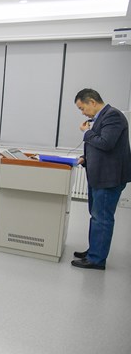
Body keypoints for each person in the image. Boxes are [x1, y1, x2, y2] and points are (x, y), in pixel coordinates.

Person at [71, 88, 131, 270]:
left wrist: (86, 132)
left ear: (92, 102)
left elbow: (106, 143)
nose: (82, 113)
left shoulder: (113, 116)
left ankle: (96, 259)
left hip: (109, 177)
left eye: (82, 108)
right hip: (99, 175)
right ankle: (94, 251)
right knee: (96, 216)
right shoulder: (101, 118)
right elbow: (100, 146)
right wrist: (85, 158)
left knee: (102, 218)